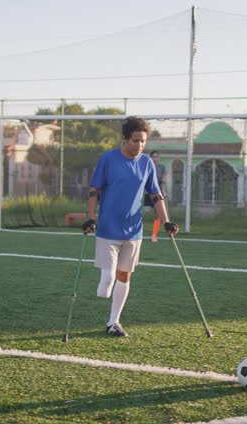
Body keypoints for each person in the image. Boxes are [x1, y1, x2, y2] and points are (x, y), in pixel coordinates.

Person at [82, 116, 178, 337]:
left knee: (124, 276)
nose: (140, 145)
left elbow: (155, 194)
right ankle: (106, 288)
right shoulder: (108, 159)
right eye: (136, 141)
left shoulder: (147, 164)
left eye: (143, 141)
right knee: (106, 284)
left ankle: (113, 322)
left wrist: (166, 221)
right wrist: (90, 217)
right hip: (107, 228)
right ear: (124, 139)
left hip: (134, 231)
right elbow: (94, 190)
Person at [143, 151, 167, 242]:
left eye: (157, 156)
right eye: (153, 156)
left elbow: (163, 180)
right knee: (145, 211)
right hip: (147, 194)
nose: (155, 158)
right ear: (150, 158)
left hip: (157, 194)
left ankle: (154, 235)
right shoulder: (147, 167)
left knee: (157, 216)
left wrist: (163, 191)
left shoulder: (162, 167)